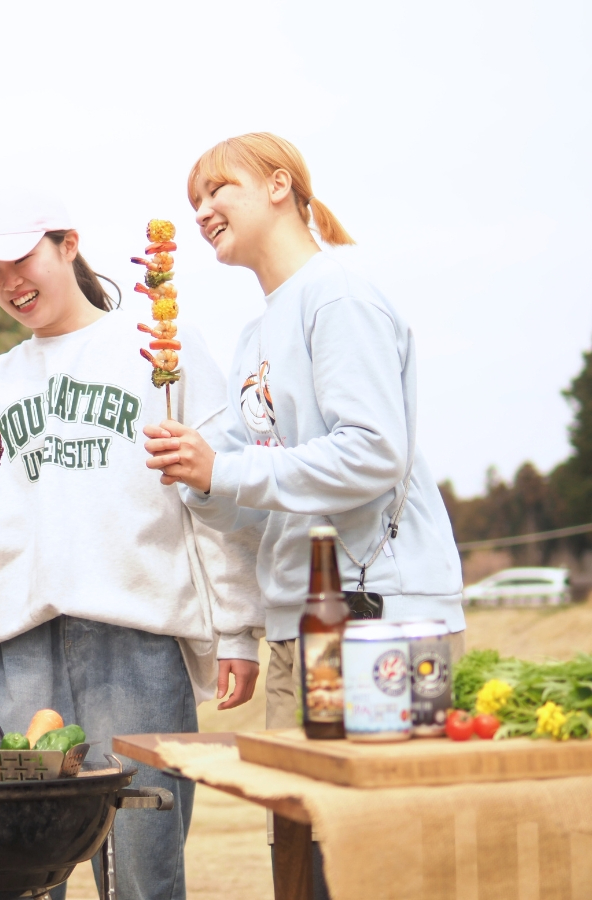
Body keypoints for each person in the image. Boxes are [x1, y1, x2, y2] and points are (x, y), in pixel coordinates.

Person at [0, 190, 263, 900]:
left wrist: (238, 628)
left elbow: (215, 493)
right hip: (19, 644)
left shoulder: (159, 348)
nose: (10, 284)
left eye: (21, 260)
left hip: (139, 637)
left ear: (69, 244)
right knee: (15, 875)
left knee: (143, 870)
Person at [144, 133, 465, 894]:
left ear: (279, 185)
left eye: (217, 190)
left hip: (379, 614)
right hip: (296, 619)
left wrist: (227, 469)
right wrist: (198, 475)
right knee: (299, 852)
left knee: (380, 856)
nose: (201, 212)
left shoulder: (337, 295)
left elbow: (373, 453)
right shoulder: (256, 332)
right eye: (194, 201)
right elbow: (257, 500)